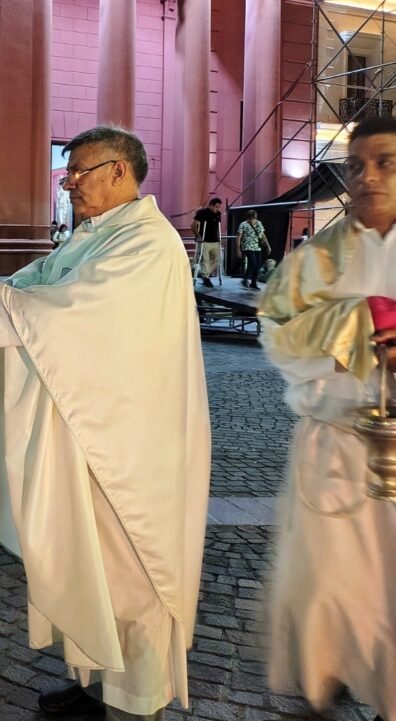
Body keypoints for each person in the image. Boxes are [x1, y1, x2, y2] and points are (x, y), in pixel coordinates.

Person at [0, 125, 211, 721]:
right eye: (68, 171)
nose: (69, 182)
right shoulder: (93, 237)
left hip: (126, 446)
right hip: (88, 429)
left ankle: (136, 701)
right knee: (89, 567)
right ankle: (93, 683)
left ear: (119, 171)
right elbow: (27, 288)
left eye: (80, 170)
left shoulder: (148, 243)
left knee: (128, 574)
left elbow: (80, 315)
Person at [257, 115, 396, 721]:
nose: (368, 178)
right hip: (334, 446)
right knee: (325, 585)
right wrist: (357, 325)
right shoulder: (318, 257)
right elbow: (276, 333)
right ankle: (323, 687)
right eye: (356, 166)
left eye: (386, 163)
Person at [192, 197, 223, 288]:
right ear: (210, 205)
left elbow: (217, 226)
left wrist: (219, 238)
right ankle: (206, 277)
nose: (217, 209)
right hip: (204, 241)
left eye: (219, 207)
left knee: (218, 259)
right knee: (205, 260)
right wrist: (198, 236)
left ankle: (205, 274)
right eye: (216, 206)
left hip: (215, 240)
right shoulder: (202, 213)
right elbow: (193, 225)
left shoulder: (218, 214)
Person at [236, 209, 269, 290]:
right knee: (253, 263)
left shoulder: (259, 223)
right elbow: (238, 237)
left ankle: (253, 283)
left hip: (257, 247)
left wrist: (268, 245)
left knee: (258, 265)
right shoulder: (243, 225)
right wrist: (238, 249)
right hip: (247, 246)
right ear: (247, 218)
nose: (252, 220)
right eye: (250, 218)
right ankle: (245, 279)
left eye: (254, 218)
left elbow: (262, 235)